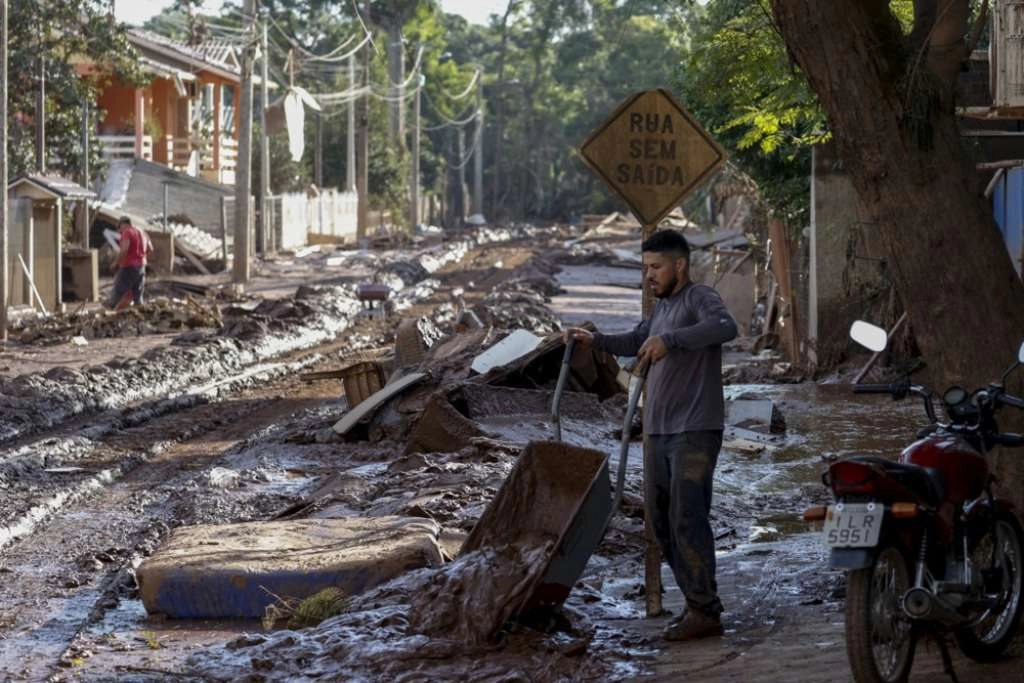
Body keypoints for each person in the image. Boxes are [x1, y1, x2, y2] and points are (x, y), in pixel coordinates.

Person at [565, 229, 737, 642]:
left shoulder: (699, 298)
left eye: (656, 267)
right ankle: (700, 603)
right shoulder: (660, 311)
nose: (650, 276)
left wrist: (672, 341)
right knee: (661, 522)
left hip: (694, 429)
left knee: (687, 516)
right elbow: (638, 340)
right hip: (658, 430)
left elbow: (725, 327)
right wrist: (596, 340)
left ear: (680, 265)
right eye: (645, 269)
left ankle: (703, 610)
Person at [107, 216, 152, 310]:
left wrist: (116, 263)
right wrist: (141, 257)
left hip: (129, 266)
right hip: (141, 266)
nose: (119, 231)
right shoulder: (142, 231)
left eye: (119, 227)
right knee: (138, 293)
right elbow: (151, 248)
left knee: (118, 289)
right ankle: (139, 313)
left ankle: (109, 310)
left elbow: (124, 250)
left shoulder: (127, 232)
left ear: (124, 224)